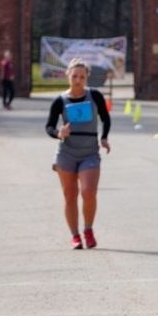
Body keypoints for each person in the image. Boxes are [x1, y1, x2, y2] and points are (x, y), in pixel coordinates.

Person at [46, 58, 111, 249]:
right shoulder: (60, 100)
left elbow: (106, 119)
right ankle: (75, 235)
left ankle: (88, 230)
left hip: (89, 152)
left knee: (88, 191)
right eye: (74, 76)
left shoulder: (95, 96)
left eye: (82, 76)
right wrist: (59, 133)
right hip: (66, 152)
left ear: (86, 78)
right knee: (70, 195)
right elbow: (49, 126)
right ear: (68, 75)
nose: (77, 80)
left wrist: (104, 137)